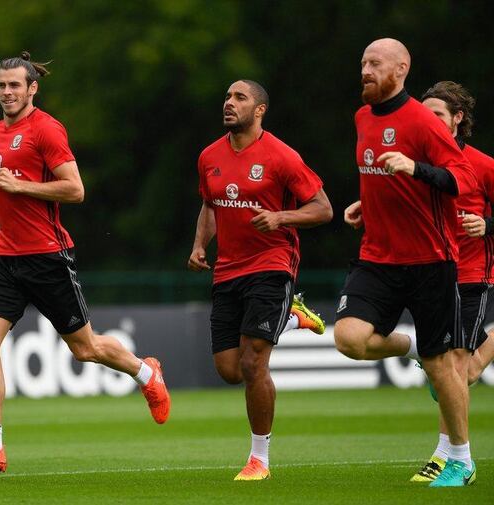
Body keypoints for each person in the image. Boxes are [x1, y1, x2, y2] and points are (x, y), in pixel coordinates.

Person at [0, 52, 171, 475]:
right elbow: (13, 186)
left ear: (33, 88)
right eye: (1, 85)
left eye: (15, 85)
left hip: (47, 256)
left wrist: (18, 186)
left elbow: (75, 189)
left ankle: (146, 372)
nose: (7, 92)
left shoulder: (47, 129)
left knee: (85, 349)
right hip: (5, 256)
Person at [334, 39, 478, 487]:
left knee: (443, 365)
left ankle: (462, 459)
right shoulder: (361, 118)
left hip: (430, 260)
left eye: (375, 63)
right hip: (377, 256)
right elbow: (380, 175)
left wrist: (416, 168)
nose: (365, 70)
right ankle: (411, 347)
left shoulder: (421, 120)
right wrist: (365, 204)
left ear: (401, 68)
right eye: (362, 63)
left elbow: (461, 178)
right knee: (348, 338)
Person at [187, 79, 332, 481]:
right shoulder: (209, 156)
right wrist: (200, 245)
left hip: (273, 264)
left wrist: (282, 217)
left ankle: (259, 460)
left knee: (253, 364)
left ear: (260, 110)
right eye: (228, 96)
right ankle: (292, 317)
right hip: (228, 269)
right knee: (229, 370)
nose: (229, 103)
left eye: (240, 98)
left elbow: (323, 209)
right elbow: (210, 205)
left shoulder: (282, 156)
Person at [409, 81, 494, 482]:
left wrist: (487, 224)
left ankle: (447, 458)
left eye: (438, 115)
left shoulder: (482, 165)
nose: (430, 122)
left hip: (473, 274)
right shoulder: (419, 166)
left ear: (458, 119)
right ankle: (448, 456)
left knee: (464, 372)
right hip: (431, 274)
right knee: (446, 371)